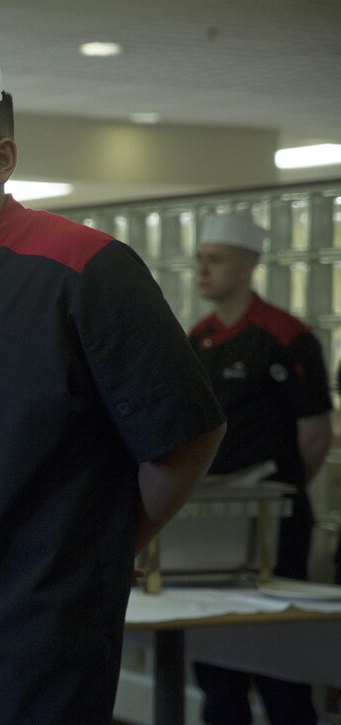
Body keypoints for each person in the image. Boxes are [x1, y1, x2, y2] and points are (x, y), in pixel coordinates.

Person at [0, 29, 227, 724]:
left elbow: (186, 436)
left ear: (2, 158)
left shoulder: (84, 268)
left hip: (32, 647)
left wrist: (98, 549)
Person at [190, 213, 332, 725]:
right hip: (214, 521)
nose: (202, 271)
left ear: (248, 266)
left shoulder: (287, 337)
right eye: (200, 260)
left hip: (276, 519)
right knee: (217, 671)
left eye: (215, 260)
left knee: (282, 666)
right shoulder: (198, 339)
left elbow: (314, 435)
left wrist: (278, 493)